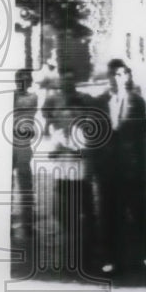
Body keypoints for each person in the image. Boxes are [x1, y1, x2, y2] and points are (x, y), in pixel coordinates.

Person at [95, 59, 146, 275]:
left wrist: (144, 166)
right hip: (107, 168)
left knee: (139, 210)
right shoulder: (99, 102)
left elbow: (141, 137)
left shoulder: (136, 102)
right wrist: (96, 165)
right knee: (108, 213)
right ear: (108, 77)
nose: (119, 79)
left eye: (123, 74)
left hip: (131, 165)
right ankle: (110, 259)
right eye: (115, 75)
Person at [40, 66, 100, 273]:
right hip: (62, 179)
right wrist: (60, 149)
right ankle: (70, 259)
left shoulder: (85, 132)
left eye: (74, 112)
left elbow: (86, 154)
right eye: (66, 112)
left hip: (80, 180)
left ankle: (88, 258)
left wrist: (66, 150)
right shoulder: (58, 132)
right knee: (65, 219)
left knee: (86, 218)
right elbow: (50, 154)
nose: (70, 115)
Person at [11, 69, 38, 257]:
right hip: (7, 144)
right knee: (6, 186)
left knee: (25, 185)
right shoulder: (9, 97)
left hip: (22, 144)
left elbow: (29, 121)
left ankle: (27, 223)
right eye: (21, 79)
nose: (24, 82)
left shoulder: (32, 98)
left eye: (27, 79)